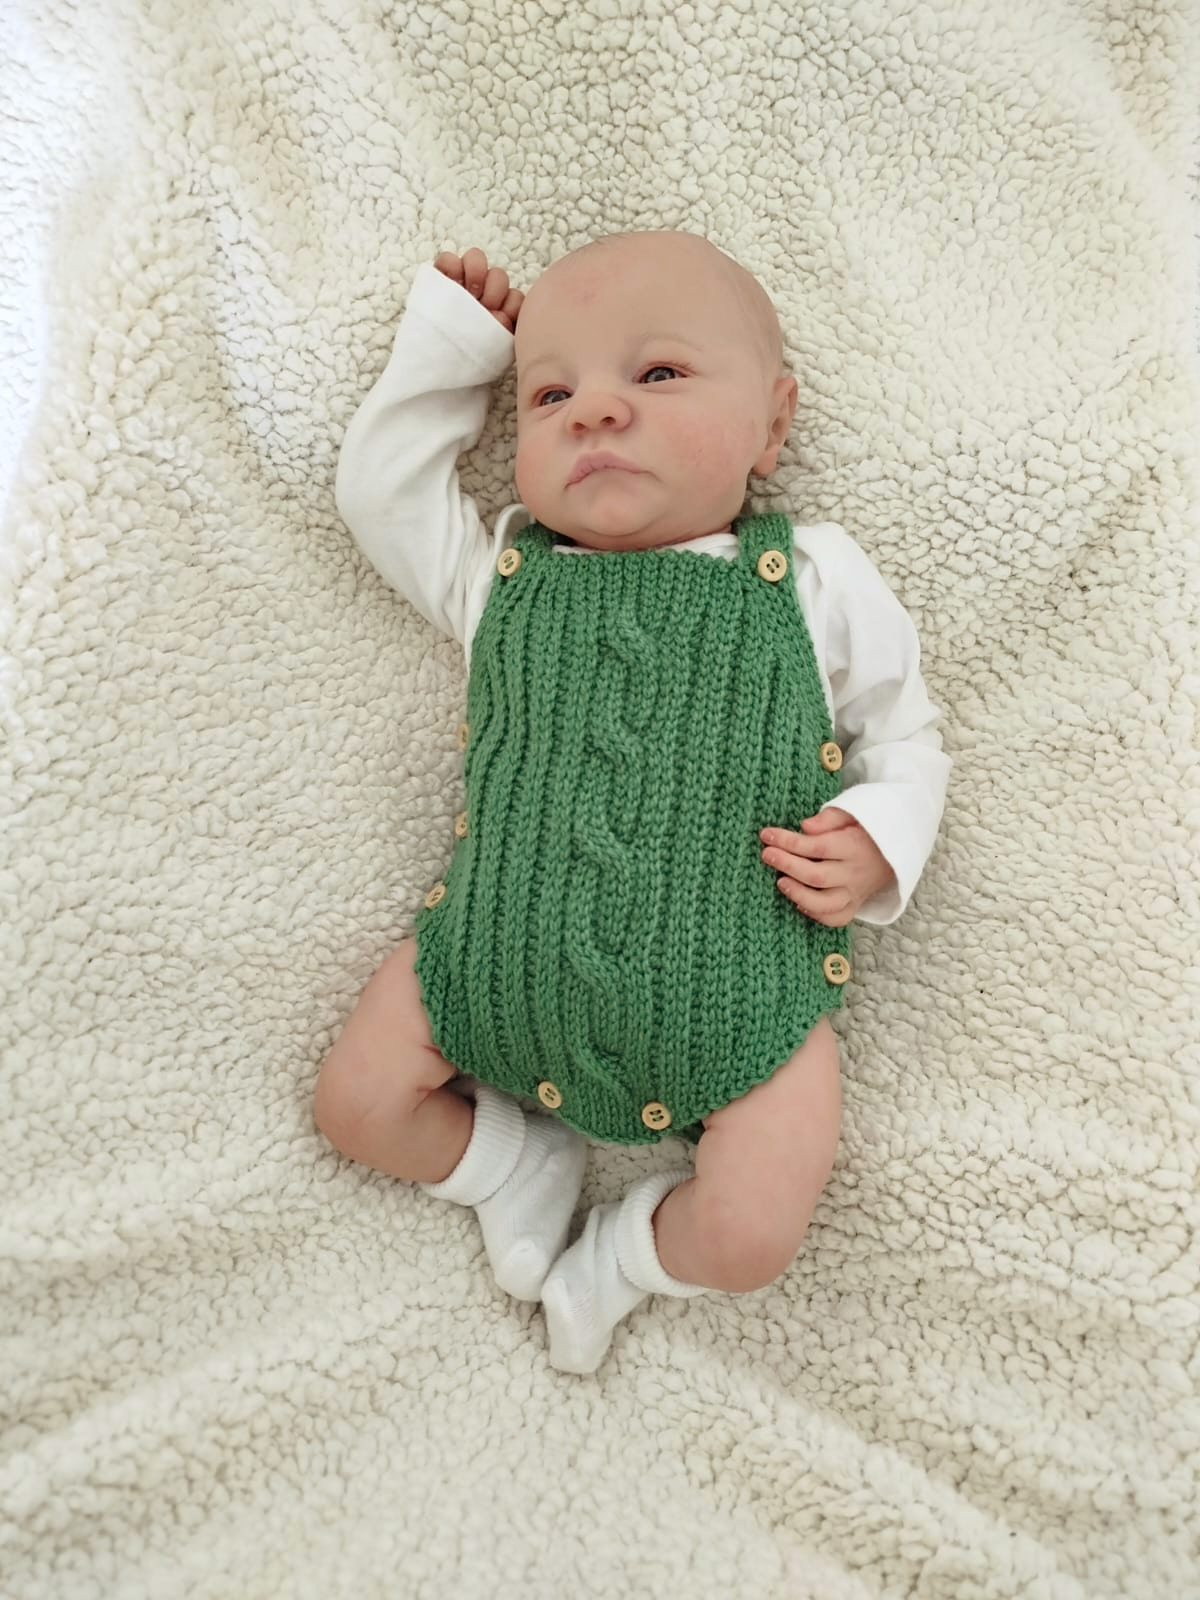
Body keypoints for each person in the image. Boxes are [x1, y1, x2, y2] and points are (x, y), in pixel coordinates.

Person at [315, 231, 951, 1374]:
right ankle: (510, 1162)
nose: (597, 411)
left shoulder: (810, 581)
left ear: (772, 423)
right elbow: (380, 494)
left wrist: (878, 838)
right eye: (550, 394)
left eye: (657, 373)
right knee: (356, 1104)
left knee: (751, 1231)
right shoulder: (501, 578)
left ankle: (622, 1257)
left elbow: (904, 733)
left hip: (741, 997)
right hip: (490, 963)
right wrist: (454, 351)